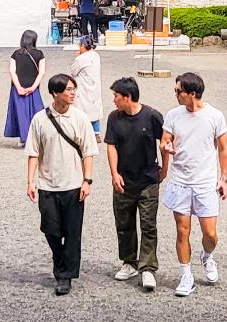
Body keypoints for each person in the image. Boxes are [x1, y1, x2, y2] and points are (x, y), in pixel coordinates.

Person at [26, 74, 98, 296]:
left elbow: (88, 152)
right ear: (55, 93)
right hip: (48, 184)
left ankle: (65, 276)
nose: (73, 92)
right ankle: (60, 263)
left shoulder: (80, 118)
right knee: (51, 230)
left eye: (73, 88)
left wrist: (87, 180)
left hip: (74, 184)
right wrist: (30, 181)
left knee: (73, 232)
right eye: (68, 89)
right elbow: (33, 152)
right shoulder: (40, 119)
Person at [160, 73, 227, 297]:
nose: (176, 95)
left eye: (178, 91)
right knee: (182, 230)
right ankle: (186, 275)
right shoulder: (173, 115)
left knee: (210, 234)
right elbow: (164, 140)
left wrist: (223, 178)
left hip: (205, 182)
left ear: (192, 94)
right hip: (180, 181)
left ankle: (207, 257)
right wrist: (166, 148)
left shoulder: (215, 116)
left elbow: (223, 149)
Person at [105, 77, 166, 291]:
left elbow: (166, 142)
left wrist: (164, 168)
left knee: (148, 224)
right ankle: (129, 262)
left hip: (148, 179)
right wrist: (114, 173)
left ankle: (148, 268)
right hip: (124, 179)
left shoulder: (152, 116)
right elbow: (111, 146)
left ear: (128, 97)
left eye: (116, 96)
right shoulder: (114, 118)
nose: (114, 101)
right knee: (124, 223)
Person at [5, 30, 46, 147]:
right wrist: (33, 87)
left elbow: (12, 72)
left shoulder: (16, 54)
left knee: (20, 113)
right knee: (36, 112)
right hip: (33, 88)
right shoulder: (39, 54)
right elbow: (41, 72)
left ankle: (23, 138)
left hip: (18, 88)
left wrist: (18, 87)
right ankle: (38, 138)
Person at [70, 35, 103, 143]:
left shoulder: (81, 59)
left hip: (83, 87)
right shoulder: (96, 56)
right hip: (95, 86)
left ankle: (82, 132)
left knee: (82, 109)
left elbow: (73, 72)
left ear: (83, 46)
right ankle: (96, 133)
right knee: (95, 108)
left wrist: (77, 58)